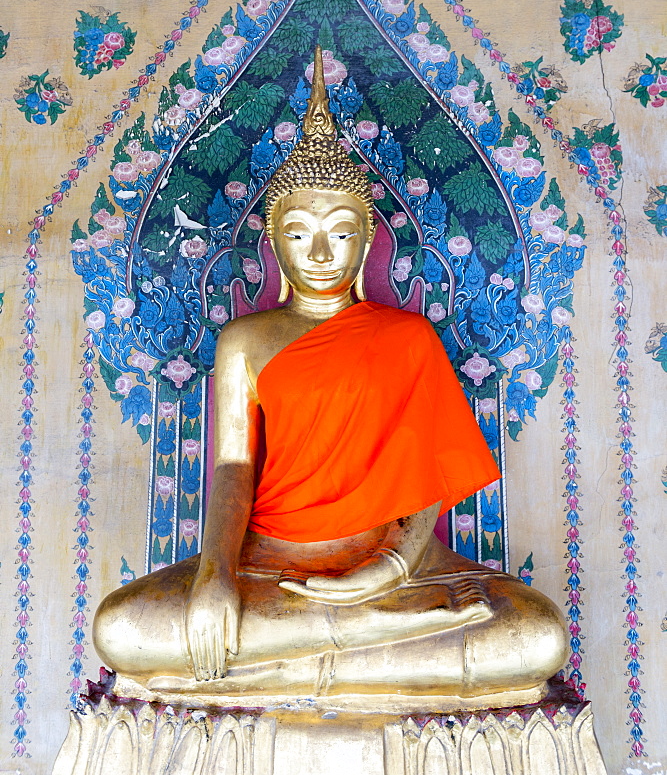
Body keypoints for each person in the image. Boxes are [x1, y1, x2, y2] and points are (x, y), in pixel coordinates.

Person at [93, 48, 568, 702]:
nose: (320, 251)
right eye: (301, 232)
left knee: (535, 633)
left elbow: (426, 469)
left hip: (395, 564)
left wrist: (388, 568)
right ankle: (364, 636)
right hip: (269, 561)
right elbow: (233, 469)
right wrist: (214, 577)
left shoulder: (405, 337)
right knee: (122, 629)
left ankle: (312, 643)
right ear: (276, 242)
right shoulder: (246, 341)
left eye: (340, 233)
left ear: (368, 241)